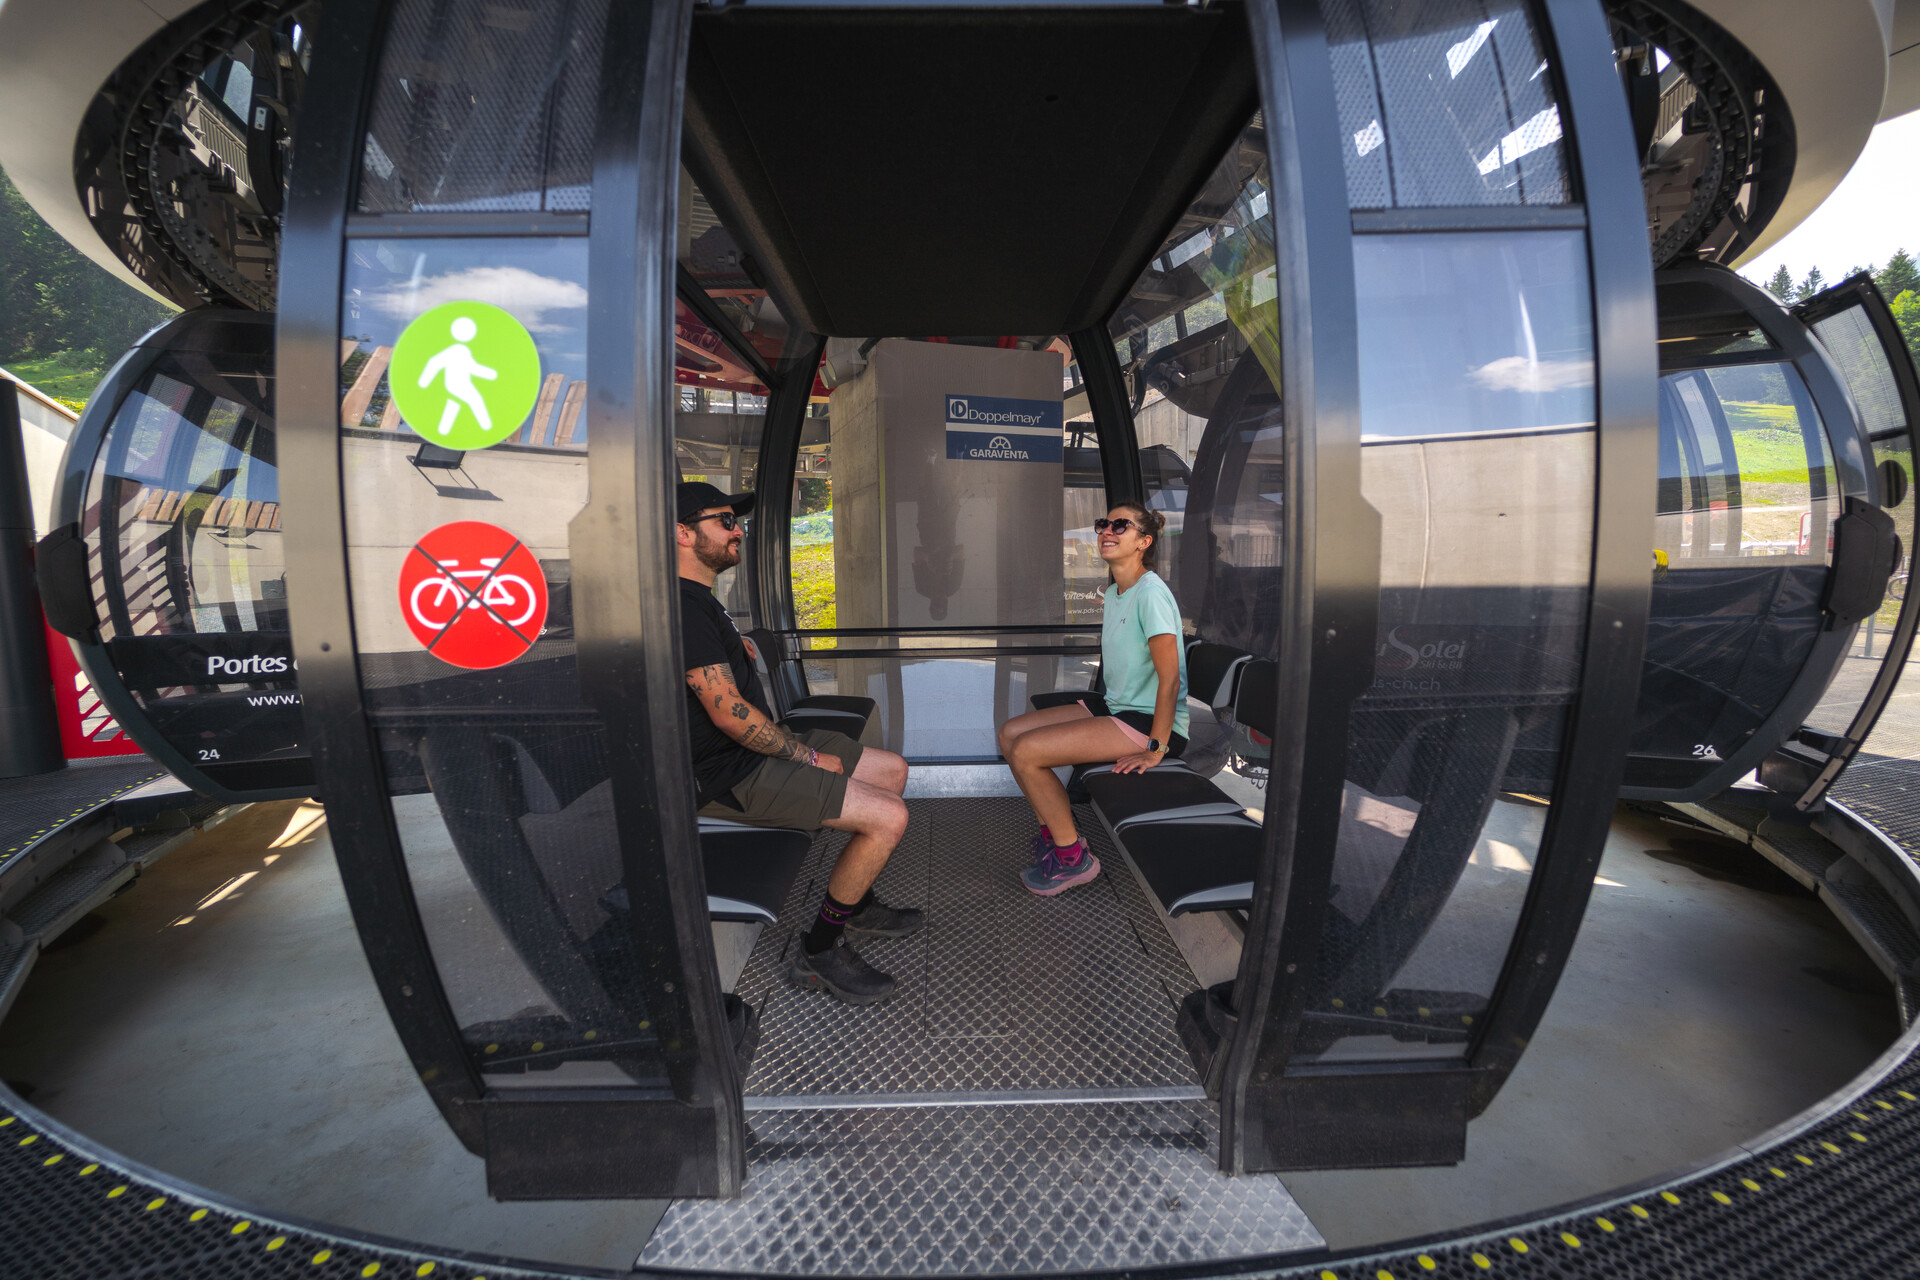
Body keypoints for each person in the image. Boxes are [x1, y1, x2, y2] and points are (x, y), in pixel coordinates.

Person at [677, 481, 922, 1005]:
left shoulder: (700, 601)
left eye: (736, 521)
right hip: (728, 776)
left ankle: (854, 905)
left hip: (752, 753)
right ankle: (820, 950)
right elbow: (728, 714)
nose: (737, 530)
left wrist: (739, 649)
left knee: (892, 771)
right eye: (725, 521)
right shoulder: (684, 608)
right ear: (682, 533)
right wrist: (808, 758)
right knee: (889, 817)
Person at [996, 502, 1188, 895]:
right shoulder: (1117, 591)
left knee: (1028, 753)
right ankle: (1056, 836)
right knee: (1011, 734)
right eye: (1104, 524)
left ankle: (1072, 859)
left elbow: (1170, 680)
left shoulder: (1151, 594)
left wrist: (1156, 749)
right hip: (1117, 706)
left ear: (1144, 542)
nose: (1107, 531)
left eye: (1121, 525)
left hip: (1148, 722)